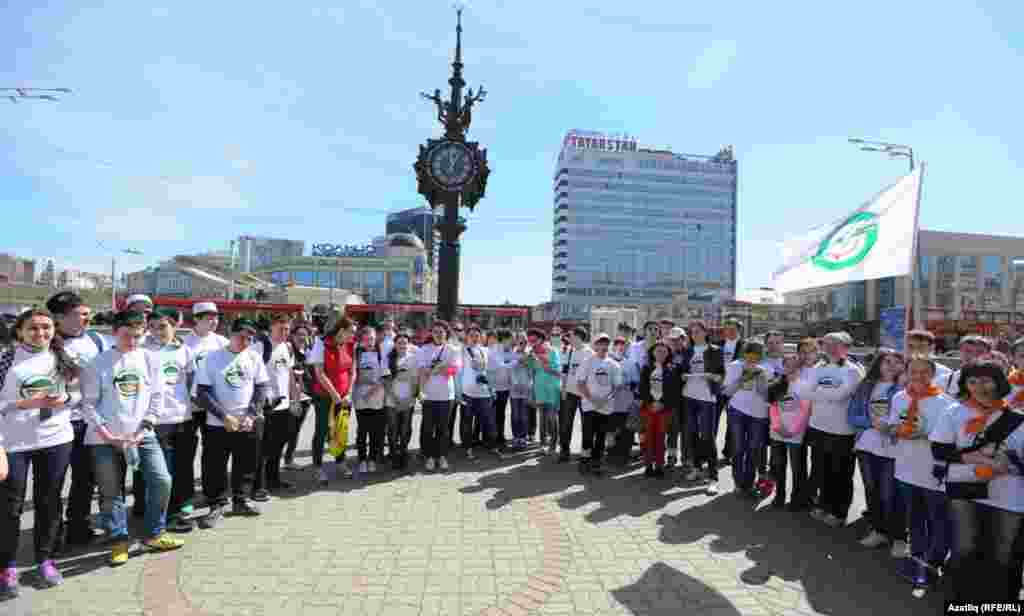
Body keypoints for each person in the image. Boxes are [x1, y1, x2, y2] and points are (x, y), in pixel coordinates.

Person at [81, 310, 184, 566]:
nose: (133, 341)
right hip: (105, 439)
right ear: (114, 332)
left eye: (138, 336)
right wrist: (108, 435)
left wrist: (143, 430)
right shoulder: (97, 363)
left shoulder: (149, 358)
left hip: (143, 435)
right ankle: (118, 541)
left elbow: (157, 397)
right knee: (111, 491)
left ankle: (154, 533)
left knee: (162, 480)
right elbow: (89, 404)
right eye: (127, 335)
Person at [0, 309, 78, 594]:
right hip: (13, 443)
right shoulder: (6, 358)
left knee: (49, 501)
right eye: (33, 328)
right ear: (19, 331)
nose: (40, 333)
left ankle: (45, 560)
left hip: (55, 439)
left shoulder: (63, 357)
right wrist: (23, 404)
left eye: (46, 327)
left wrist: (64, 397)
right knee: (10, 506)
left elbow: (80, 395)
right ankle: (6, 566)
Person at [931, 360, 1021, 602]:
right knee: (965, 548)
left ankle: (1002, 603)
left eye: (986, 380)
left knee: (1004, 554)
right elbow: (939, 450)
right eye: (972, 381)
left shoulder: (1018, 418)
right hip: (964, 489)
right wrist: (973, 457)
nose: (979, 387)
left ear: (999, 382)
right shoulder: (954, 412)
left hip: (1008, 495)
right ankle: (961, 601)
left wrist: (1008, 465)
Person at [45, 291, 107, 548]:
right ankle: (51, 535)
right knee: (53, 482)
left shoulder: (95, 340)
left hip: (88, 421)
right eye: (79, 314)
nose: (86, 318)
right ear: (59, 317)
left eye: (86, 313)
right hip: (56, 423)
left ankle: (78, 528)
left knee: (85, 479)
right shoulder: (46, 342)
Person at [195, 318, 270, 528]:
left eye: (250, 338)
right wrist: (223, 416)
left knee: (246, 464)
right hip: (218, 424)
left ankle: (241, 500)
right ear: (230, 332)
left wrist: (251, 414)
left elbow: (261, 387)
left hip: (247, 423)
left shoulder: (254, 357)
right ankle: (216, 504)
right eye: (241, 337)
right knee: (214, 466)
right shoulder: (211, 358)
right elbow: (202, 393)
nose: (245, 342)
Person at [886, 356, 952, 589]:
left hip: (932, 471)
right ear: (907, 373)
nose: (919, 376)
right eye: (914, 371)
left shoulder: (945, 403)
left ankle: (933, 563)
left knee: (938, 520)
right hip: (905, 468)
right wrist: (895, 430)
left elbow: (949, 438)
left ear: (933, 374)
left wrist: (924, 435)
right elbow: (892, 425)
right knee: (914, 517)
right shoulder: (899, 397)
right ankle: (917, 557)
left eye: (925, 372)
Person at [798, 331, 865, 528]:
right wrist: (827, 392)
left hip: (842, 430)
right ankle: (824, 505)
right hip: (818, 426)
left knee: (841, 474)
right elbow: (805, 392)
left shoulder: (853, 370)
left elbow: (841, 395)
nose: (830, 348)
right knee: (822, 470)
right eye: (826, 344)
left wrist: (819, 391)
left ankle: (839, 512)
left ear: (846, 347)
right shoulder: (819, 366)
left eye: (835, 344)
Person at [143, 308, 196, 533]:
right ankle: (161, 516)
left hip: (182, 417)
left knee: (181, 467)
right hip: (156, 420)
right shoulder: (143, 350)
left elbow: (191, 380)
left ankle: (176, 509)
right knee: (161, 473)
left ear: (175, 326)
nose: (157, 331)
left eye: (162, 326)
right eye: (152, 327)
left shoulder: (185, 350)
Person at [848, 350, 906, 554]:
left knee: (891, 494)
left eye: (897, 362)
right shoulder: (866, 386)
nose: (891, 365)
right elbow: (852, 415)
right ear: (878, 364)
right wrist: (870, 423)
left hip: (893, 449)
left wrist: (891, 427)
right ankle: (878, 531)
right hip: (866, 446)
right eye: (886, 361)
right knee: (872, 491)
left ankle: (899, 537)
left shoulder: (904, 388)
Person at [182, 302, 229, 511]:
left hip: (214, 406)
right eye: (209, 318)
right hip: (190, 408)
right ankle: (186, 497)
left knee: (214, 452)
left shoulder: (222, 342)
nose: (214, 321)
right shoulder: (185, 343)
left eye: (216, 317)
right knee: (186, 454)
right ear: (196, 319)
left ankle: (214, 494)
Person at [252, 314, 299, 498]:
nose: (284, 332)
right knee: (262, 450)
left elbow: (290, 375)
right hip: (266, 406)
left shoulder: (287, 347)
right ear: (271, 327)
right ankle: (259, 486)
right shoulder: (260, 347)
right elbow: (252, 376)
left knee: (277, 447)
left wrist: (294, 400)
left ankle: (274, 480)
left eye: (287, 329)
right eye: (281, 328)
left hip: (284, 406)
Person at [308, 317, 356, 484]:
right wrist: (335, 396)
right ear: (341, 330)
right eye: (351, 332)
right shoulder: (321, 344)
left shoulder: (350, 344)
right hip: (324, 396)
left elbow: (352, 371)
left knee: (340, 430)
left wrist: (348, 393)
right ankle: (317, 467)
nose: (353, 336)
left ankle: (340, 462)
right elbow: (319, 373)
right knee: (322, 431)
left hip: (344, 397)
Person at [723, 340, 772, 498]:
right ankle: (738, 483)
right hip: (737, 411)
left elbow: (766, 396)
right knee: (738, 449)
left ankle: (748, 484)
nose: (752, 359)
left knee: (753, 450)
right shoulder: (735, 366)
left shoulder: (767, 368)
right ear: (744, 354)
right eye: (749, 355)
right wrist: (744, 377)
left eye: (757, 355)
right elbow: (727, 391)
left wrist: (760, 377)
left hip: (758, 415)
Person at [679, 321, 725, 487]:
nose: (695, 334)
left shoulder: (715, 350)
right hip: (689, 396)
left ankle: (713, 477)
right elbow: (682, 371)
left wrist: (713, 376)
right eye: (692, 332)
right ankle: (697, 468)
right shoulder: (687, 350)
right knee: (692, 434)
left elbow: (721, 375)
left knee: (707, 437)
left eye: (698, 331)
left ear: (706, 332)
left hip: (707, 397)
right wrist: (683, 376)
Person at [766, 353, 812, 510]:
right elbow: (773, 409)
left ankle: (797, 499)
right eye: (787, 365)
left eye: (794, 365)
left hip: (796, 435)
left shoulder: (805, 386)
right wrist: (778, 426)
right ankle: (779, 496)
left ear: (799, 367)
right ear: (783, 366)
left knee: (798, 469)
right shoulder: (776, 385)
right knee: (778, 467)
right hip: (777, 433)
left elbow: (805, 412)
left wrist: (792, 431)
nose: (790, 368)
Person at [576, 333, 622, 476]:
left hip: (606, 406)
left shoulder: (614, 364)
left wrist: (605, 400)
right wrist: (592, 399)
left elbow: (617, 387)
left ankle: (597, 462)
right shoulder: (587, 361)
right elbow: (580, 383)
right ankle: (585, 459)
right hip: (589, 405)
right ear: (595, 345)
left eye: (606, 343)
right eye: (600, 343)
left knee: (601, 435)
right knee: (588, 434)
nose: (603, 346)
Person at [417, 321, 460, 471]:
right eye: (435, 332)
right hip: (428, 395)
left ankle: (442, 456)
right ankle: (429, 456)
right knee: (428, 428)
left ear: (446, 333)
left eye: (441, 332)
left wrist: (440, 369)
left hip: (446, 395)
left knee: (443, 428)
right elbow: (422, 371)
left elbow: (455, 370)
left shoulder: (452, 349)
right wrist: (420, 391)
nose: (438, 334)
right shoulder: (424, 349)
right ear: (431, 333)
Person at [638, 341, 679, 478]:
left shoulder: (673, 368)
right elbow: (642, 388)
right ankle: (648, 465)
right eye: (658, 351)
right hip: (648, 408)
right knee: (648, 437)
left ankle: (659, 465)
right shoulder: (646, 368)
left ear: (668, 354)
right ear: (653, 353)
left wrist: (663, 403)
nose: (661, 353)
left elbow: (675, 390)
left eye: (664, 351)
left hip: (664, 409)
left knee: (660, 438)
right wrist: (651, 403)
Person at [352, 325, 388, 475]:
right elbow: (353, 374)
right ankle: (362, 459)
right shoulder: (356, 354)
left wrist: (372, 390)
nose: (369, 342)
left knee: (375, 431)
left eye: (372, 339)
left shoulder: (381, 354)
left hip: (377, 396)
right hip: (360, 397)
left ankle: (372, 459)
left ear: (376, 339)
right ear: (361, 340)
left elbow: (385, 376)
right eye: (366, 339)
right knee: (362, 430)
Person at [461, 325, 499, 460]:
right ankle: (468, 448)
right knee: (467, 422)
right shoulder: (462, 350)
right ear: (467, 337)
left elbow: (491, 371)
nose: (474, 338)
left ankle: (492, 445)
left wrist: (492, 388)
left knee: (489, 421)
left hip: (484, 392)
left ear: (481, 337)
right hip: (467, 392)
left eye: (477, 335)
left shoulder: (486, 350)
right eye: (471, 335)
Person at [559, 327, 592, 463]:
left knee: (586, 424)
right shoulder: (569, 351)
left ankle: (586, 452)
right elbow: (564, 371)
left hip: (585, 394)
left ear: (578, 337)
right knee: (566, 423)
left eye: (571, 336)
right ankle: (564, 451)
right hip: (570, 392)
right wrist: (563, 389)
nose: (569, 338)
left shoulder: (589, 352)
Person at [525, 329, 561, 456]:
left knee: (552, 418)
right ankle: (542, 445)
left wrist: (547, 366)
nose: (532, 343)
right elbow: (531, 370)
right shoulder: (532, 352)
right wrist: (528, 360)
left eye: (534, 340)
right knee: (542, 418)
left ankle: (553, 445)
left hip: (552, 389)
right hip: (539, 389)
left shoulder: (552, 351)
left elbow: (559, 372)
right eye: (530, 341)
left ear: (541, 339)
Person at [283, 322, 314, 470]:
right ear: (292, 336)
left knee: (295, 430)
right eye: (299, 334)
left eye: (305, 335)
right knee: (287, 430)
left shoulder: (307, 351)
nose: (302, 337)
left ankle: (289, 459)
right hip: (292, 397)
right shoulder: (289, 350)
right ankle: (275, 459)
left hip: (305, 396)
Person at [384, 332, 417, 469]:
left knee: (405, 429)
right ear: (395, 344)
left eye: (405, 343)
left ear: (408, 344)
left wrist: (410, 398)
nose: (402, 345)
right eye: (399, 343)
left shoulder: (413, 359)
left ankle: (403, 452)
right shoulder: (388, 358)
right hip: (392, 400)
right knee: (392, 429)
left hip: (408, 399)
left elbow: (415, 380)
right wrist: (395, 399)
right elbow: (386, 381)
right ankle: (393, 454)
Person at [718, 319, 747, 465]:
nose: (729, 332)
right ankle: (708, 453)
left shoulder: (745, 345)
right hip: (718, 387)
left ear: (739, 330)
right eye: (727, 329)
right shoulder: (718, 344)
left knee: (733, 423)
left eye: (733, 329)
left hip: (736, 389)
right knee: (713, 421)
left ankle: (728, 453)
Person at [488, 329, 514, 450]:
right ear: (504, 339)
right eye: (510, 339)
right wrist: (516, 361)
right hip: (494, 388)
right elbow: (499, 366)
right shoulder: (493, 350)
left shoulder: (508, 351)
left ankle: (500, 436)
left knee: (501, 413)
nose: (512, 341)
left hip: (504, 388)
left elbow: (509, 369)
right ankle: (492, 439)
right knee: (493, 414)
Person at [509, 334, 533, 449]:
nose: (522, 345)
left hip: (525, 388)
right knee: (515, 414)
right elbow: (510, 370)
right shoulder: (512, 354)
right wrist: (515, 383)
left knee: (523, 415)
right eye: (520, 342)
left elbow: (531, 372)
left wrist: (527, 363)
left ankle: (523, 437)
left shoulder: (529, 354)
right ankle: (515, 437)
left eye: (524, 343)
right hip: (514, 388)